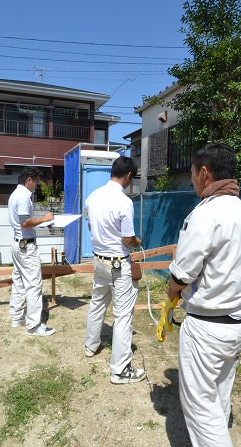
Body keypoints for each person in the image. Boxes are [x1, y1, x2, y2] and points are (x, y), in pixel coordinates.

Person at [166, 143, 241, 446]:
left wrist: (170, 297)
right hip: (239, 323)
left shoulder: (206, 214)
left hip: (207, 326)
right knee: (219, 394)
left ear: (204, 172)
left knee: (201, 409)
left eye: (193, 173)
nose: (192, 179)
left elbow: (182, 273)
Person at [83, 156, 145, 384]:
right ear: (128, 176)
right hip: (118, 263)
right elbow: (127, 239)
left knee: (97, 302)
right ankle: (119, 370)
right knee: (123, 316)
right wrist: (137, 241)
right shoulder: (124, 202)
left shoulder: (93, 197)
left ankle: (91, 346)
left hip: (99, 260)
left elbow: (91, 225)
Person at [8, 166, 56, 337]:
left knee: (19, 281)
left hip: (17, 244)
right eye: (36, 182)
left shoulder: (15, 194)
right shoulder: (23, 196)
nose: (37, 186)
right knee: (34, 284)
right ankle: (34, 326)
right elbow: (25, 222)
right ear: (29, 180)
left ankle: (16, 318)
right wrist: (44, 219)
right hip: (26, 247)